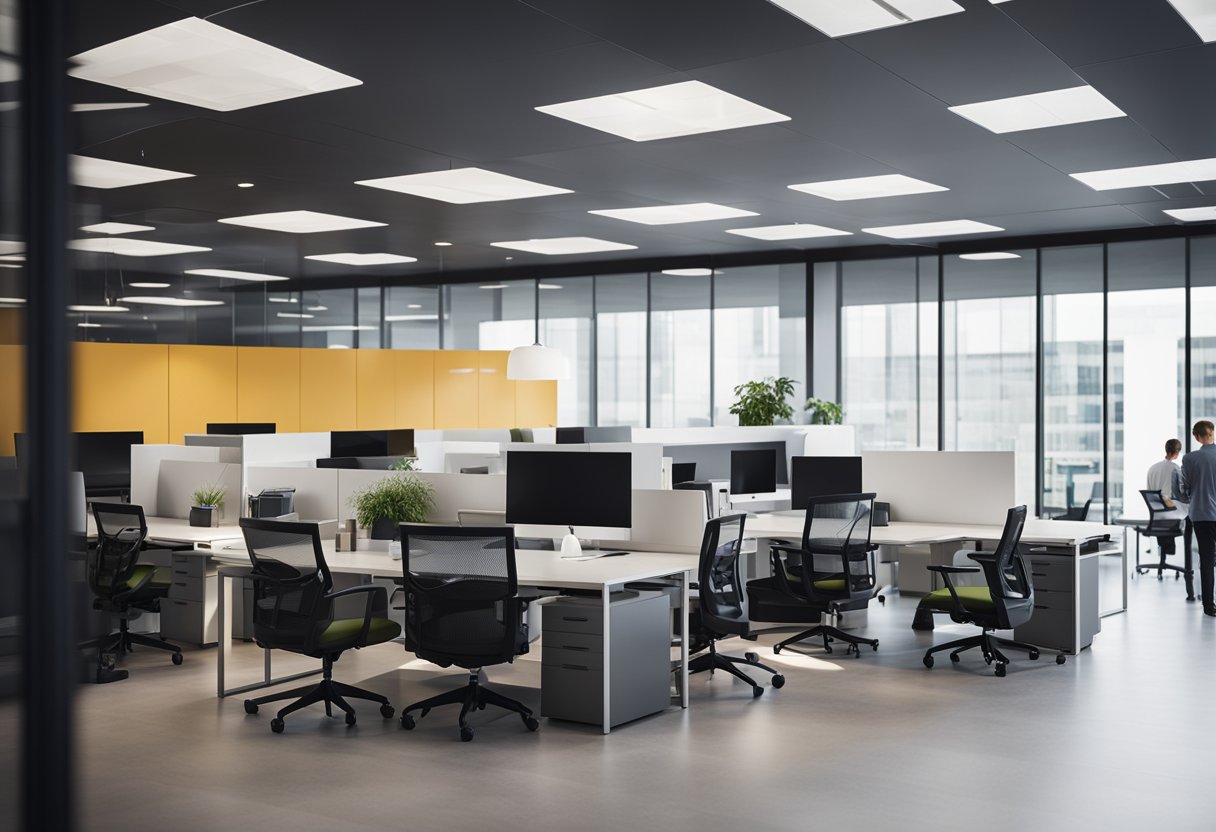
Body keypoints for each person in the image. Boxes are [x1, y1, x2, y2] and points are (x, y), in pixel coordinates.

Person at [1179, 421, 1216, 616]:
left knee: (1207, 559)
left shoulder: (1189, 459)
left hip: (1201, 515)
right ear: (1212, 433)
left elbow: (1184, 491)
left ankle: (1209, 606)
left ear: (1196, 436)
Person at [1146, 439, 1183, 557]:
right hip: (1170, 518)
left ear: (1166, 450)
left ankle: (1163, 552)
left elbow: (1150, 492)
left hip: (1156, 517)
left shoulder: (1152, 468)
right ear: (1177, 453)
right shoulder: (1176, 469)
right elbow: (1179, 494)